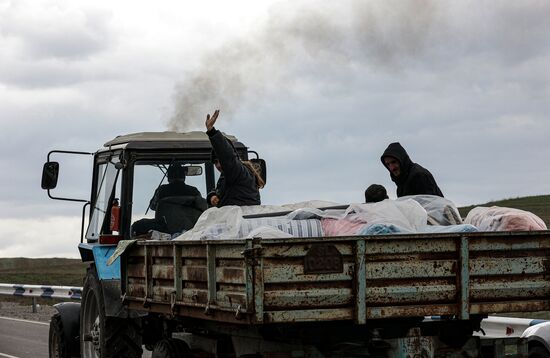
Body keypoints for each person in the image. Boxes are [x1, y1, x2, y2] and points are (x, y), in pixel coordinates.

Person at [205, 109, 264, 207]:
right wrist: (212, 196)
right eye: (215, 162)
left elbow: (227, 156)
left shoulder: (237, 170)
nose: (218, 165)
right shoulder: (229, 176)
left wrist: (212, 132)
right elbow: (223, 190)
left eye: (220, 161)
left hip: (239, 220)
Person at [131, 164, 206, 236]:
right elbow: (202, 208)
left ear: (168, 177)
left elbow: (152, 206)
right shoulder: (194, 191)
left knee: (137, 226)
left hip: (165, 229)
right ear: (184, 176)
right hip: (191, 230)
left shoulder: (161, 190)